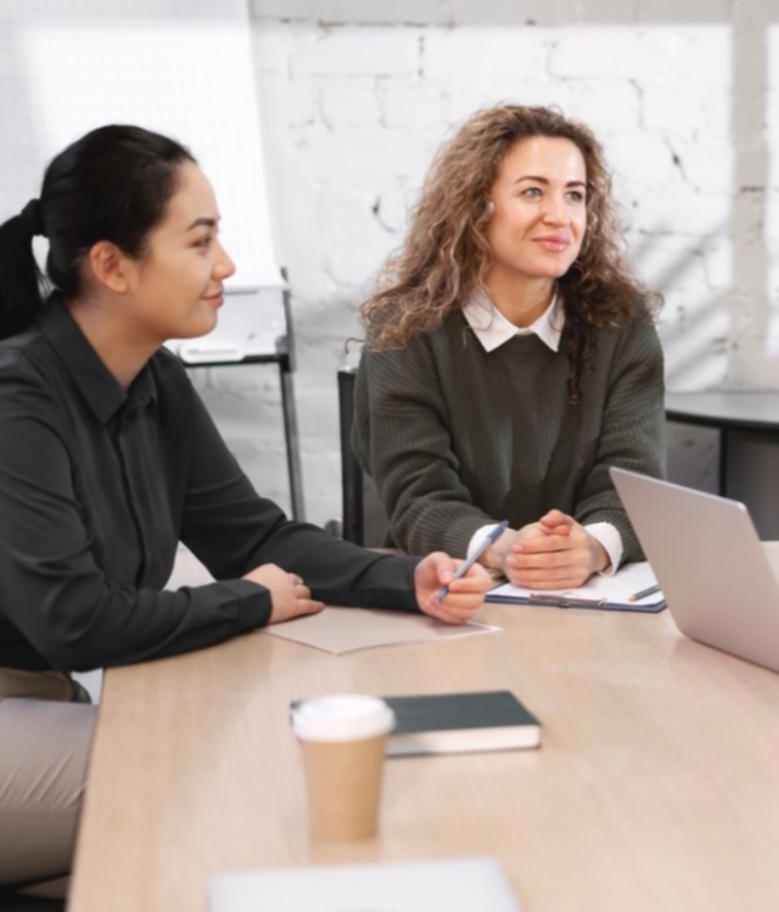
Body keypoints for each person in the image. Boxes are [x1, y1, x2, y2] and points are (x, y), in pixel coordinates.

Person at [0, 125, 491, 894]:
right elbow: (78, 621)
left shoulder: (152, 378)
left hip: (38, 703)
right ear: (112, 266)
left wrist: (406, 579)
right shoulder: (18, 401)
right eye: (200, 242)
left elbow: (252, 535)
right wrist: (249, 600)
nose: (226, 265)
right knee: (218, 775)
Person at [355, 105, 664, 591]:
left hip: (590, 594)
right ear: (476, 207)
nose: (559, 216)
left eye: (575, 195)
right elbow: (418, 497)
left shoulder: (622, 323)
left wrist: (592, 546)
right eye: (532, 192)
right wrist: (507, 548)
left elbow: (633, 478)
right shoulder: (406, 330)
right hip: (453, 589)